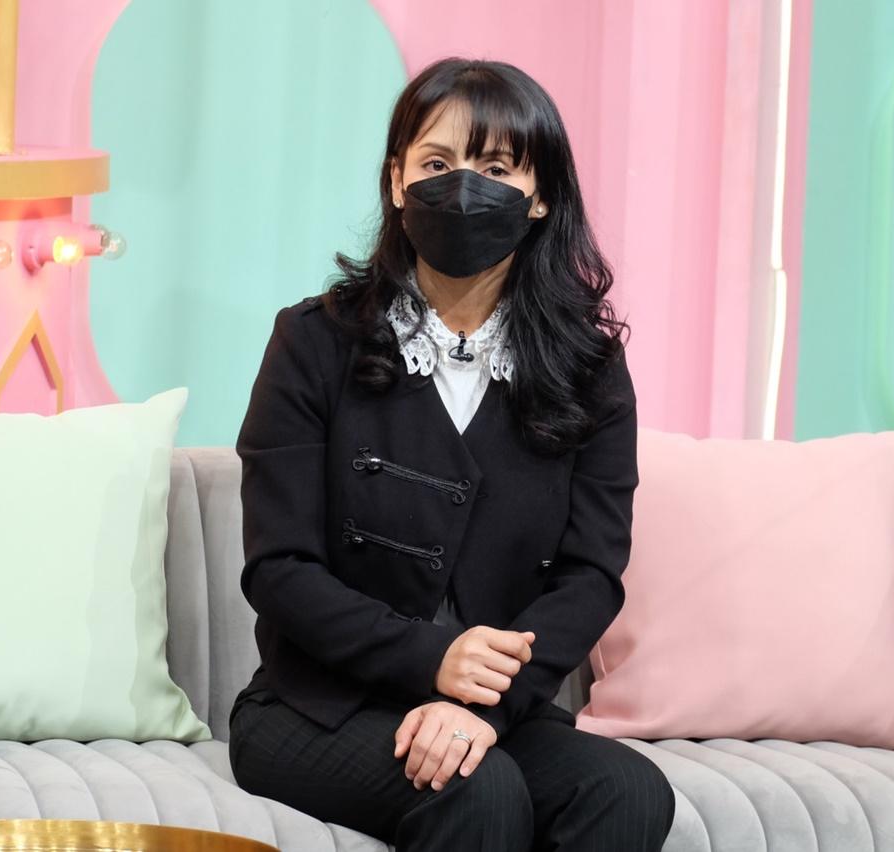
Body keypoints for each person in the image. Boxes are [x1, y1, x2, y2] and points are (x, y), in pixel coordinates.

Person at [228, 57, 676, 851]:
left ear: (541, 195)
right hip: (318, 707)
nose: (463, 188)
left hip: (496, 707)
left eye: (497, 168)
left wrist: (485, 707)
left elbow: (590, 576)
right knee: (476, 791)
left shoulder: (590, 370)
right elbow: (279, 570)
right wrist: (432, 659)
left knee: (628, 792)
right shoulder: (312, 343)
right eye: (436, 164)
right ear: (397, 181)